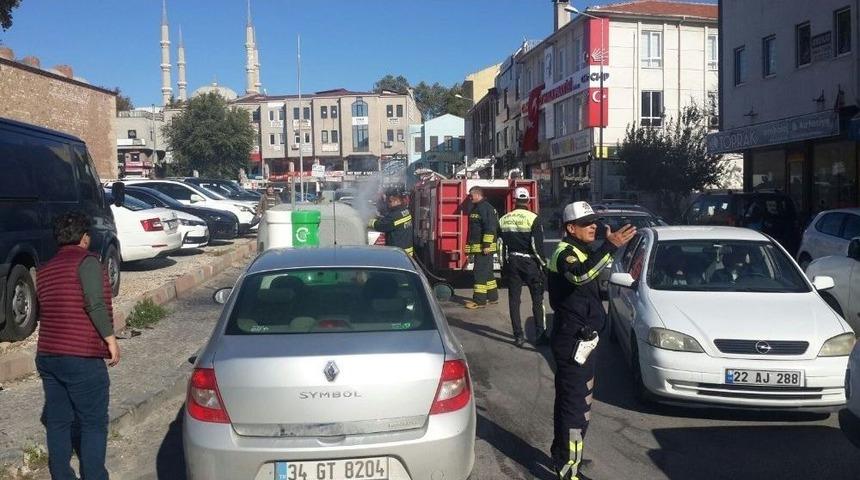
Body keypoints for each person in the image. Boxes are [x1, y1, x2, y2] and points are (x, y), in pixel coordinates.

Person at [547, 201, 636, 480]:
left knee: (572, 401)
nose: (593, 227)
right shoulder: (565, 253)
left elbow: (595, 272)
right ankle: (568, 470)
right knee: (576, 407)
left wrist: (608, 250)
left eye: (594, 222)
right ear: (570, 228)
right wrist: (609, 246)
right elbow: (580, 274)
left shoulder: (581, 250)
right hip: (573, 339)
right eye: (586, 224)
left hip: (581, 337)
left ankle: (563, 456)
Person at [36, 212, 119, 480]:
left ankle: (61, 475)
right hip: (80, 356)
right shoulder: (87, 262)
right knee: (93, 423)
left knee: (58, 422)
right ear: (85, 237)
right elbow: (94, 303)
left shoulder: (45, 269)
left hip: (48, 353)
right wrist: (110, 339)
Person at [498, 187, 548, 347]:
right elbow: (536, 245)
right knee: (537, 299)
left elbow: (500, 245)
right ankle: (540, 334)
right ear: (528, 200)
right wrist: (543, 265)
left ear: (514, 200)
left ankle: (518, 336)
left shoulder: (504, 219)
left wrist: (503, 264)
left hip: (512, 262)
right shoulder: (534, 218)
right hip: (530, 263)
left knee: (514, 300)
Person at [464, 186, 499, 309]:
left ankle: (479, 301)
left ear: (478, 195)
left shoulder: (485, 208)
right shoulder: (477, 207)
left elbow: (490, 228)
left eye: (471, 195)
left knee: (479, 273)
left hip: (484, 248)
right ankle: (493, 297)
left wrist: (486, 245)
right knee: (487, 273)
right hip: (479, 247)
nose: (469, 197)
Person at [368, 185, 414, 257]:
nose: (387, 204)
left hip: (398, 254)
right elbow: (391, 222)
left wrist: (369, 221)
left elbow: (381, 226)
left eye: (388, 201)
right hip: (406, 252)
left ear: (393, 199)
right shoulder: (405, 211)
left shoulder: (394, 216)